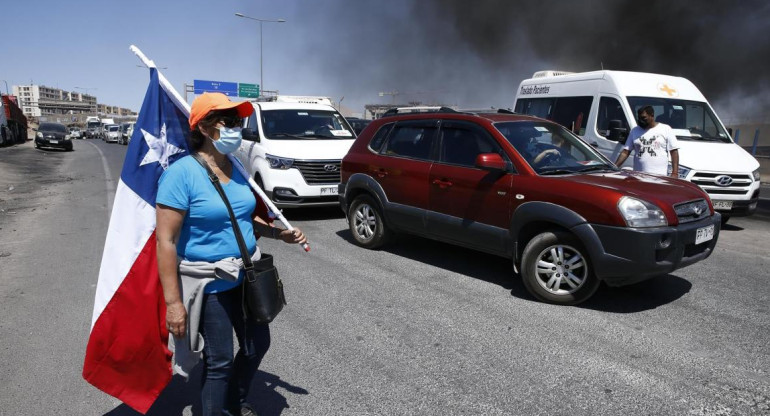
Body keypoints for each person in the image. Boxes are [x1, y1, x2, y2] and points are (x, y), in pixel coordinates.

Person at [155, 92, 307, 416]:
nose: (238, 127)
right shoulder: (181, 174)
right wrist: (173, 304)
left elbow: (243, 217)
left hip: (247, 275)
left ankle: (234, 400)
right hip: (209, 286)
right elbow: (165, 241)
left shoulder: (237, 167)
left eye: (240, 121)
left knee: (256, 345)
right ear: (206, 127)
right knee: (220, 361)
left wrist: (278, 233)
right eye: (230, 121)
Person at [615, 105, 679, 178]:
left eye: (644, 118)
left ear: (652, 115)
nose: (641, 121)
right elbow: (625, 152)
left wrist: (675, 172)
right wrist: (614, 167)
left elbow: (674, 151)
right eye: (639, 118)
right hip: (638, 177)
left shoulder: (665, 129)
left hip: (659, 177)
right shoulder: (634, 131)